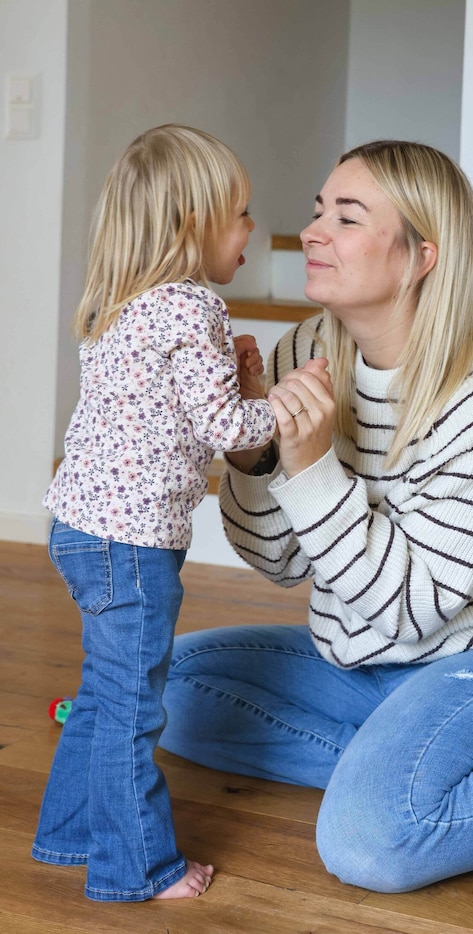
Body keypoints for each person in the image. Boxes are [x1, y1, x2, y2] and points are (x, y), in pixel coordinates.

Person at [160, 140, 473, 893]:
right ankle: (408, 766)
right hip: (360, 663)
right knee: (171, 689)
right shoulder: (303, 349)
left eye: (345, 217)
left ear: (419, 256)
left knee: (372, 843)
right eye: (316, 212)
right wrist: (254, 463)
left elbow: (414, 609)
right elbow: (279, 562)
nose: (311, 233)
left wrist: (309, 469)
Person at [33, 125, 277, 902]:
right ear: (191, 225)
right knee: (133, 706)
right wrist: (285, 404)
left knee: (103, 694)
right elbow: (228, 430)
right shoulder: (194, 306)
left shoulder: (119, 303)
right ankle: (136, 867)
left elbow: (168, 407)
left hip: (79, 529)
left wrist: (233, 382)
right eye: (238, 214)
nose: (250, 229)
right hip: (132, 545)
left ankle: (68, 833)